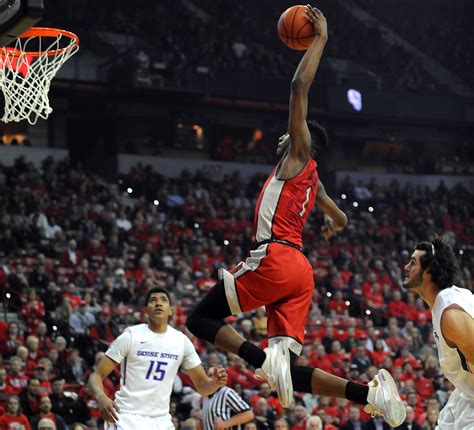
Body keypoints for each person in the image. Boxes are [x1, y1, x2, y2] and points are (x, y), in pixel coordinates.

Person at [186, 5, 405, 427]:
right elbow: (339, 216)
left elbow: (298, 85)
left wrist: (319, 39)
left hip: (277, 259)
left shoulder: (299, 154)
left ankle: (259, 359)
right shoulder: (314, 180)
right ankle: (371, 395)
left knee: (201, 318)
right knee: (289, 377)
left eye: (293, 131)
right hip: (301, 272)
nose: (285, 133)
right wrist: (333, 222)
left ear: (304, 138)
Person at [88, 287, 227, 430]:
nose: (158, 303)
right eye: (153, 300)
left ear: (170, 310)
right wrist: (101, 396)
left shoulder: (181, 341)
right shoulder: (131, 336)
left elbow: (202, 387)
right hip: (127, 416)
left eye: (164, 300)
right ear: (146, 310)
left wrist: (215, 383)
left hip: (161, 420)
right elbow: (96, 376)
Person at [403, 236, 474, 429]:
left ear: (428, 272)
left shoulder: (451, 315)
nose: (406, 267)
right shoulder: (450, 297)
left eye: (412, 262)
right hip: (465, 395)